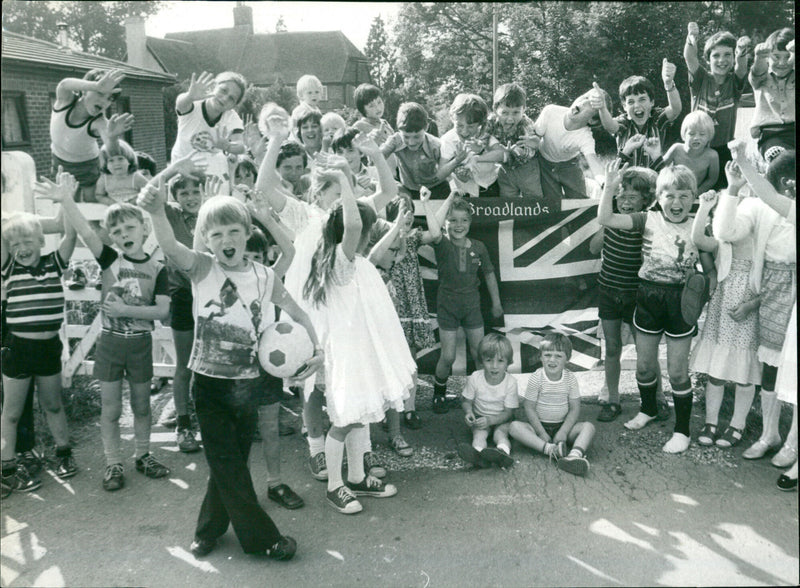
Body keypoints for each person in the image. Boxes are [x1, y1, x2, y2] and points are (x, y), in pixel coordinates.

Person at [138, 178, 323, 560]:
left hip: (248, 386)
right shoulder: (201, 267)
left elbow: (298, 311)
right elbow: (170, 246)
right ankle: (263, 540)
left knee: (231, 464)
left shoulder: (264, 276)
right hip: (209, 385)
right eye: (217, 233)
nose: (227, 239)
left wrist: (317, 349)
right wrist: (156, 212)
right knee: (226, 462)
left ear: (246, 232)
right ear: (206, 240)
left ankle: (208, 531)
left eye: (234, 231)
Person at [255, 117, 397, 483]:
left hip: (349, 312)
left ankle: (360, 455)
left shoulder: (353, 210)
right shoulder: (304, 215)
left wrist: (375, 153)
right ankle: (317, 449)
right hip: (315, 311)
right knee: (315, 387)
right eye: (335, 191)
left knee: (354, 380)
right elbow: (264, 185)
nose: (343, 196)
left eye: (345, 188)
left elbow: (388, 192)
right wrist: (276, 139)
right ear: (319, 194)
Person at [301, 167, 414, 514]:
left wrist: (398, 225)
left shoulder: (358, 261)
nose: (367, 233)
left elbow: (377, 252)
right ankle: (335, 486)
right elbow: (351, 226)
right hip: (348, 353)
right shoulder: (340, 262)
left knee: (360, 416)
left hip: (364, 351)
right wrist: (344, 181)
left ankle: (357, 476)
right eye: (367, 228)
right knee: (345, 420)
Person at [47, 181, 173, 491]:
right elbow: (86, 231)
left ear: (144, 228)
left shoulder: (158, 268)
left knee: (142, 406)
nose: (124, 234)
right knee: (111, 409)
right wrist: (66, 200)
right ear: (112, 237)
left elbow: (162, 311)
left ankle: (143, 455)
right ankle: (113, 462)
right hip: (111, 344)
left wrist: (124, 310)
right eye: (116, 231)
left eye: (130, 227)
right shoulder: (110, 260)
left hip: (140, 345)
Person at [598, 161, 718, 453]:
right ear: (658, 197)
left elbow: (710, 272)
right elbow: (606, 218)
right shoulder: (647, 219)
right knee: (643, 367)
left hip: (679, 303)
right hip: (648, 297)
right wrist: (610, 186)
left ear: (693, 197)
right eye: (670, 195)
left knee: (677, 372)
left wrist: (703, 296)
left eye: (684, 195)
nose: (676, 202)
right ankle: (648, 409)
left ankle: (682, 431)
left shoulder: (699, 226)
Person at [717, 142, 796, 464]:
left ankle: (793, 444)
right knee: (771, 367)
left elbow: (771, 197)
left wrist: (742, 159)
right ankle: (769, 434)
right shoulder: (760, 206)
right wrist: (732, 190)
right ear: (785, 184)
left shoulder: (784, 204)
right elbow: (724, 231)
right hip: (773, 289)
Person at [1, 174, 79, 494]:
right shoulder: (9, 268)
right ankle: (6, 468)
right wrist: (11, 224)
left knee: (53, 405)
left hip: (48, 348)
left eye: (28, 241)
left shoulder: (53, 263)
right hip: (18, 349)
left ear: (41, 241)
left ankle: (63, 453)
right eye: (15, 244)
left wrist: (66, 199)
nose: (22, 248)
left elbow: (71, 234)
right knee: (11, 412)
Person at [689, 161, 761, 448]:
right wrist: (704, 208)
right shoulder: (724, 243)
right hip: (723, 310)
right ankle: (711, 422)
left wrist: (751, 305)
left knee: (745, 372)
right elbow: (697, 239)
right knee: (717, 370)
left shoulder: (762, 246)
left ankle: (737, 425)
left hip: (748, 310)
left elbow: (772, 285)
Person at [590, 166, 668, 422]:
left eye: (632, 197)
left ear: (645, 201)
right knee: (612, 348)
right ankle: (612, 399)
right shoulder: (610, 220)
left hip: (637, 295)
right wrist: (605, 228)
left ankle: (657, 398)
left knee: (646, 351)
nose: (625, 202)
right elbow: (593, 249)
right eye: (621, 196)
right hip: (609, 291)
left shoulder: (645, 223)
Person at [242, 210, 304, 511]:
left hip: (267, 366)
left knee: (269, 429)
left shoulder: (268, 278)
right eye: (245, 256)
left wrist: (266, 219)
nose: (250, 262)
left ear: (266, 256)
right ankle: (240, 489)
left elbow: (290, 251)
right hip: (235, 367)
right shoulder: (223, 279)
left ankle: (275, 483)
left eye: (257, 256)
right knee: (239, 433)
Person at [429, 194, 504, 414]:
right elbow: (435, 230)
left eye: (463, 220)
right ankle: (438, 394)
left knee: (479, 353)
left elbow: (489, 274)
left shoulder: (479, 247)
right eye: (453, 220)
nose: (458, 225)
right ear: (445, 223)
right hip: (447, 307)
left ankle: (483, 396)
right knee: (448, 356)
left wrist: (496, 303)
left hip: (472, 306)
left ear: (470, 222)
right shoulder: (441, 243)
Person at [508, 333, 595, 476]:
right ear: (540, 357)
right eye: (547, 355)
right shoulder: (536, 378)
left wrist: (564, 432)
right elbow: (529, 407)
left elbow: (574, 409)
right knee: (514, 427)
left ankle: (574, 455)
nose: (552, 360)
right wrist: (541, 432)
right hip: (539, 426)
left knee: (588, 427)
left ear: (567, 358)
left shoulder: (570, 379)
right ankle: (549, 449)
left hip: (563, 426)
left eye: (558, 356)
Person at [50, 68, 134, 202]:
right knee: (64, 201)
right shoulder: (65, 102)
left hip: (87, 166)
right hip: (59, 161)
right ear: (84, 90)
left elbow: (113, 153)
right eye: (100, 93)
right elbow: (64, 84)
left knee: (91, 202)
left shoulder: (100, 122)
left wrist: (113, 137)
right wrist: (96, 85)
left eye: (109, 99)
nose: (104, 101)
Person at [683, 22, 750, 189]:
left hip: (723, 150)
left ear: (733, 57)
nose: (722, 60)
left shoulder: (734, 83)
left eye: (727, 55)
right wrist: (691, 38)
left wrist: (742, 51)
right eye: (716, 55)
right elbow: (690, 58)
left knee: (720, 192)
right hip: (696, 148)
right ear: (708, 60)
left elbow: (742, 68)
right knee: (691, 189)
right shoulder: (700, 79)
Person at [594, 59, 682, 170]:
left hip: (652, 176)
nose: (636, 105)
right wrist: (602, 108)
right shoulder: (624, 122)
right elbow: (610, 126)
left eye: (642, 99)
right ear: (624, 106)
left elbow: (675, 109)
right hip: (627, 176)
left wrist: (669, 84)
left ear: (652, 102)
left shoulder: (656, 119)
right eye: (631, 102)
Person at [171, 71, 247, 191]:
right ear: (213, 87)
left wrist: (227, 146)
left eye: (231, 98)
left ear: (233, 106)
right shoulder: (193, 104)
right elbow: (180, 104)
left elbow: (241, 147)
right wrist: (190, 96)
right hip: (181, 169)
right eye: (223, 90)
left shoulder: (231, 117)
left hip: (210, 174)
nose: (225, 98)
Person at [532, 88, 609, 207]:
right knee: (552, 204)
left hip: (570, 166)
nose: (582, 102)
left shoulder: (585, 137)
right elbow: (535, 137)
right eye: (585, 97)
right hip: (545, 164)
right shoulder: (551, 111)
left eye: (590, 104)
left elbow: (593, 162)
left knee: (579, 203)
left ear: (592, 121)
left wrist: (605, 183)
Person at [457, 333, 517, 469]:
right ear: (481, 361)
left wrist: (491, 420)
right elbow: (466, 401)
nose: (494, 366)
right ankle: (477, 456)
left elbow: (509, 412)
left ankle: (502, 454)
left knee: (500, 434)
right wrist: (468, 412)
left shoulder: (511, 382)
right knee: (479, 435)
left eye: (500, 361)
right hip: (480, 417)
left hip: (502, 419)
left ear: (508, 362)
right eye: (489, 360)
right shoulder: (475, 378)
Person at [379, 102, 451, 200]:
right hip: (409, 190)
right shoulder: (396, 141)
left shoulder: (435, 145)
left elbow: (448, 170)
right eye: (406, 137)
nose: (411, 142)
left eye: (417, 137)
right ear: (399, 131)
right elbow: (375, 160)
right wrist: (375, 146)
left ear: (426, 128)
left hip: (436, 188)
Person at [485, 83, 544, 198]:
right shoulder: (491, 122)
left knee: (533, 198)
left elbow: (531, 150)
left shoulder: (526, 124)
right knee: (507, 199)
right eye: (505, 113)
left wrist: (518, 152)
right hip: (505, 168)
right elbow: (482, 136)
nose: (510, 118)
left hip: (527, 168)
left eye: (516, 112)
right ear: (495, 110)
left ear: (524, 110)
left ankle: (534, 209)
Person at [440, 93, 505, 197]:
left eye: (470, 126)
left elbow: (501, 154)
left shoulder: (483, 134)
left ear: (480, 123)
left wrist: (479, 154)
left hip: (490, 186)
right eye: (459, 125)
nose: (465, 131)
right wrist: (456, 165)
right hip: (464, 190)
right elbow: (442, 170)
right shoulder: (447, 140)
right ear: (452, 118)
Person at [748, 28, 795, 157]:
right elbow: (757, 72)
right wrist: (759, 57)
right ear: (767, 58)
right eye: (776, 57)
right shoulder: (762, 79)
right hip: (771, 134)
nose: (782, 63)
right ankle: (778, 156)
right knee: (777, 152)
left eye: (788, 57)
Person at [662, 111, 720, 194]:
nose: (696, 138)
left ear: (709, 136)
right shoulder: (677, 149)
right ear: (684, 135)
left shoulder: (712, 156)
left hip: (697, 192)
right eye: (691, 134)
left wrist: (697, 193)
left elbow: (712, 179)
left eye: (702, 134)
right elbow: (660, 166)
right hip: (674, 191)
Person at [95, 139, 149, 206]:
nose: (116, 163)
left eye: (120, 159)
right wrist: (112, 203)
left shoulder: (136, 177)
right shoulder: (104, 179)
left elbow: (148, 191)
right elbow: (99, 195)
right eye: (111, 160)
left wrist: (133, 202)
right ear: (106, 165)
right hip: (113, 207)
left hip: (135, 207)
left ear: (129, 160)